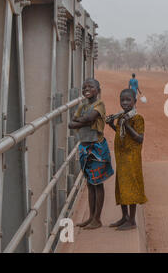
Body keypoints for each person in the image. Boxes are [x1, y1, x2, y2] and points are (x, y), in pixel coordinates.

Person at [69, 78, 114, 230]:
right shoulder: (83, 106)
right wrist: (86, 121)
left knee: (97, 183)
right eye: (84, 86)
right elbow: (71, 124)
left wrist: (84, 121)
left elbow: (87, 118)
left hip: (97, 148)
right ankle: (91, 217)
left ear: (98, 90)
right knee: (90, 183)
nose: (86, 89)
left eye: (91, 86)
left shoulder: (99, 104)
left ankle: (97, 219)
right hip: (84, 148)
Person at [106, 89, 148, 231]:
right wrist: (112, 124)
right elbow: (120, 133)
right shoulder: (122, 116)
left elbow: (139, 138)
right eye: (122, 100)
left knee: (131, 188)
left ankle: (132, 220)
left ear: (135, 102)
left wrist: (127, 125)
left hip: (131, 158)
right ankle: (124, 217)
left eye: (128, 100)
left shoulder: (137, 118)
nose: (125, 103)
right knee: (122, 186)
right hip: (122, 157)